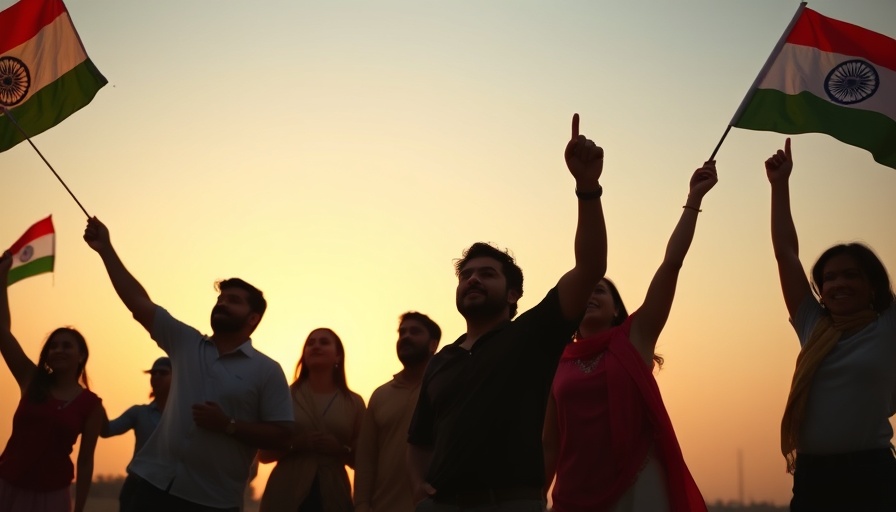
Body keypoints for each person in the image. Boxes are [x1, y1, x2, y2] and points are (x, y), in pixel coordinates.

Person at [407, 113, 607, 512]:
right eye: (466, 275)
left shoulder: (532, 335)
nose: (473, 280)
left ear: (513, 294)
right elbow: (419, 438)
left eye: (487, 274)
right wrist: (419, 486)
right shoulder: (442, 360)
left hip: (510, 502)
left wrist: (587, 188)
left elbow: (589, 268)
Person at [83, 218, 294, 512]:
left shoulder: (267, 370)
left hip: (213, 501)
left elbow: (283, 437)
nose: (221, 304)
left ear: (253, 318)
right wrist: (105, 249)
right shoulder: (186, 343)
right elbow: (138, 301)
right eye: (221, 298)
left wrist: (229, 426)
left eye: (233, 301)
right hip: (151, 487)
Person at [544, 163, 717, 512]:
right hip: (573, 493)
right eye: (586, 291)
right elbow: (551, 441)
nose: (591, 295)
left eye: (602, 292)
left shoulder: (634, 339)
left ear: (616, 311)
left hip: (638, 488)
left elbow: (671, 264)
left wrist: (693, 199)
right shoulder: (555, 359)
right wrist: (534, 496)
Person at [764, 138, 896, 510]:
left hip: (871, 474)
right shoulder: (813, 324)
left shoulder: (887, 325)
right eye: (830, 278)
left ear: (871, 285)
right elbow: (785, 252)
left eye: (850, 276)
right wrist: (779, 186)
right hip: (813, 476)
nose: (839, 284)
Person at [0, 250, 105, 512]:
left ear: (81, 356)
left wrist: (79, 508)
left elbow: (85, 462)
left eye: (67, 346)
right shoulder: (31, 379)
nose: (58, 350)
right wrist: (1, 280)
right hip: (6, 486)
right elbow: (2, 332)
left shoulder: (91, 405)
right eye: (53, 346)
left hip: (52, 496)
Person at [259, 328, 367, 512]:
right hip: (286, 491)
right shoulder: (285, 396)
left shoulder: (354, 402)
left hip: (333, 492)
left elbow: (365, 459)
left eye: (324, 342)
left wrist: (339, 449)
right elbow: (263, 454)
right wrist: (296, 444)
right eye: (311, 343)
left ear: (338, 356)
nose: (316, 346)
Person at [354, 312, 442, 512]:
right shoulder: (380, 395)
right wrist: (361, 505)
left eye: (415, 332)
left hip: (434, 505)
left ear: (433, 344)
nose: (406, 337)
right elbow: (366, 458)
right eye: (402, 332)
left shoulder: (445, 389)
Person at [101, 356, 172, 457]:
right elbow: (106, 431)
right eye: (153, 373)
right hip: (140, 473)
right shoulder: (139, 413)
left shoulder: (187, 414)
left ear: (176, 377)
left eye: (163, 373)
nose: (157, 376)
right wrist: (97, 406)